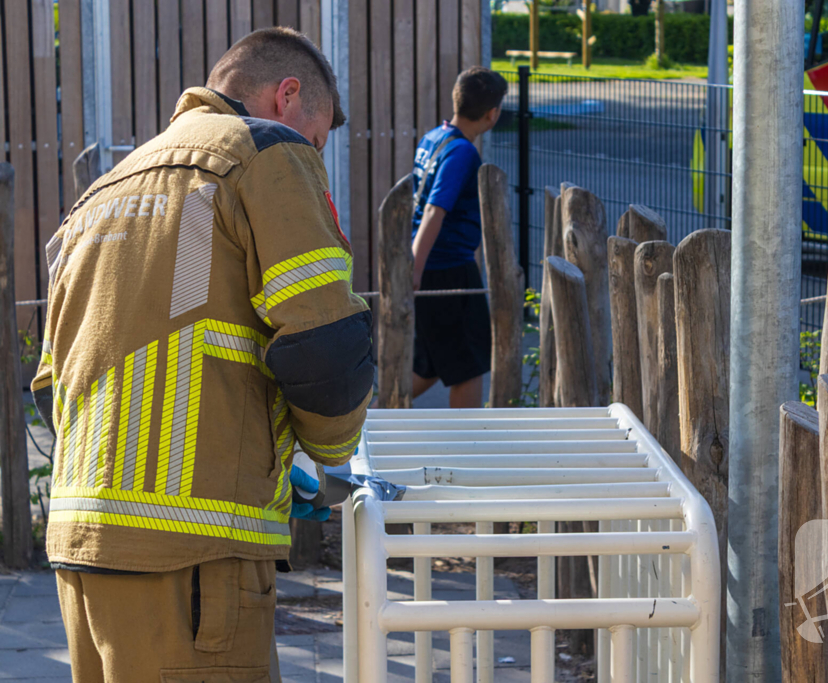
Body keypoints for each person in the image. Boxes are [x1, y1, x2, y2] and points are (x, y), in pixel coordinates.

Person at [29, 27, 373, 682]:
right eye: (318, 135)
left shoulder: (101, 192)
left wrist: (265, 464)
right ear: (286, 96)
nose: (315, 150)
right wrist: (329, 457)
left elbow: (58, 386)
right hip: (193, 564)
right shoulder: (267, 150)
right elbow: (324, 348)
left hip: (81, 553)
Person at [410, 67, 508, 408]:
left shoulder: (433, 138)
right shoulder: (463, 152)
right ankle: (466, 442)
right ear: (492, 114)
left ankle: (364, 417)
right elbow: (436, 210)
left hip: (432, 267)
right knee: (469, 365)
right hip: (448, 269)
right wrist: (416, 269)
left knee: (432, 364)